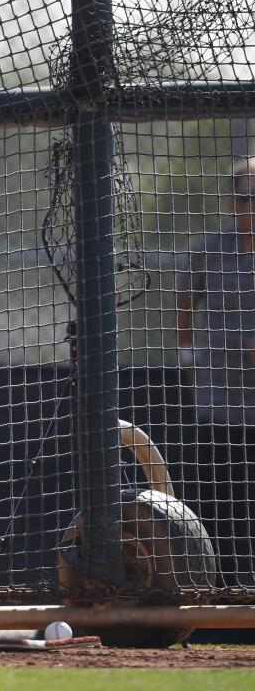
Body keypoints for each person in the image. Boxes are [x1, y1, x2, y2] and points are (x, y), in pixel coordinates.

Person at [174, 156, 255, 587]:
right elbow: (185, 298)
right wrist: (187, 354)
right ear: (231, 203)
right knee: (219, 494)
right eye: (243, 198)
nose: (250, 206)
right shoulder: (211, 248)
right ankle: (218, 586)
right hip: (218, 395)